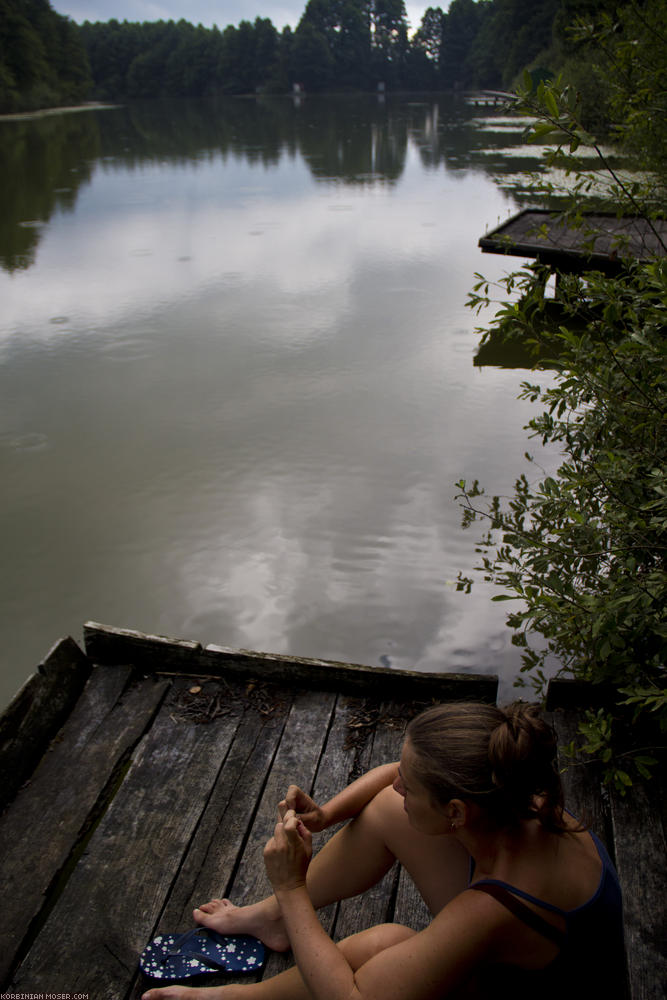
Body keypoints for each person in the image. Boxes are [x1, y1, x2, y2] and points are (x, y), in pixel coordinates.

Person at [142, 701, 625, 1000]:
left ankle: (235, 997)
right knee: (387, 811)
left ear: (456, 811)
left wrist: (291, 887)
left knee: (383, 944)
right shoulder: (518, 797)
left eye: (411, 784)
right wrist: (326, 815)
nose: (396, 781)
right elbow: (393, 778)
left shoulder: (492, 910)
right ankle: (270, 921)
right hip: (535, 958)